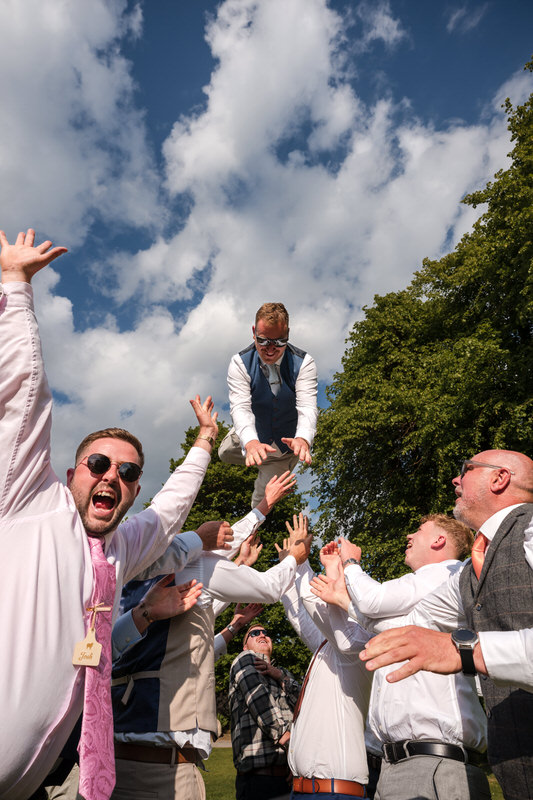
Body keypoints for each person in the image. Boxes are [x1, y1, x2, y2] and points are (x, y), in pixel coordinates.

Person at [0, 229, 230, 800]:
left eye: (128, 473)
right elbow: (22, 400)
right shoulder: (29, 501)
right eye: (99, 463)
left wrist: (205, 441)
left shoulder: (119, 551)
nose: (112, 477)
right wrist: (16, 288)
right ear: (71, 472)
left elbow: (171, 509)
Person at [110, 474, 311, 800]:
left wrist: (264, 506)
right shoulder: (198, 566)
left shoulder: (126, 569)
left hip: (117, 753)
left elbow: (192, 640)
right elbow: (268, 587)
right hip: (165, 769)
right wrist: (294, 558)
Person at [359, 451, 533, 800]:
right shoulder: (469, 573)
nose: (455, 479)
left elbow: (443, 643)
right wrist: (336, 595)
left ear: (499, 479)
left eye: (466, 470)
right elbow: (414, 623)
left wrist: (464, 650)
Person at [311, 516, 489, 800]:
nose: (409, 535)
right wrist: (339, 586)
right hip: (402, 763)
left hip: (432, 765)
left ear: (438, 540)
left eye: (418, 530)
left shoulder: (443, 573)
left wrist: (351, 563)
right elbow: (377, 635)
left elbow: (372, 601)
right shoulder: (425, 592)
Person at [280, 540, 372, 799]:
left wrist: (299, 560)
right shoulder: (327, 646)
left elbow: (315, 603)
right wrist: (288, 565)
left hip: (335, 793)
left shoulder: (359, 647)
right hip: (304, 791)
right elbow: (299, 615)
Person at [218, 302, 317, 506]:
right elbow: (240, 406)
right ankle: (244, 438)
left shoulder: (304, 363)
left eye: (279, 342)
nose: (270, 350)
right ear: (254, 332)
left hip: (281, 452)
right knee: (223, 453)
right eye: (263, 341)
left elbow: (307, 406)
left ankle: (248, 536)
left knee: (263, 503)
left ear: (288, 334)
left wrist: (303, 438)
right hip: (255, 432)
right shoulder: (239, 362)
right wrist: (251, 442)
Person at [229, 622, 300, 800]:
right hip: (259, 781)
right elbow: (261, 703)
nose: (262, 635)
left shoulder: (284, 674)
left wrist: (281, 677)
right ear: (245, 646)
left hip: (290, 778)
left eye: (265, 632)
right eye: (254, 634)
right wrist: (293, 749)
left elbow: (305, 705)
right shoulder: (244, 659)